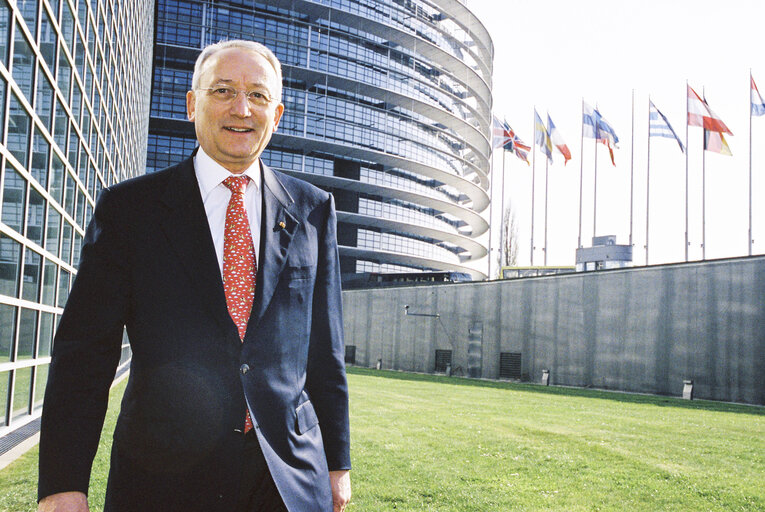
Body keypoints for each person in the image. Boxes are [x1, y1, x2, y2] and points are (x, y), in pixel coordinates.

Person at [36, 40, 351, 512]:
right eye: (223, 90)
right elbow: (84, 355)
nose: (241, 108)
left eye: (258, 96)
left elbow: (325, 352)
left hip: (287, 479)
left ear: (278, 114)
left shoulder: (313, 209)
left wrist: (337, 463)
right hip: (163, 477)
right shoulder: (129, 211)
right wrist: (63, 483)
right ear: (191, 104)